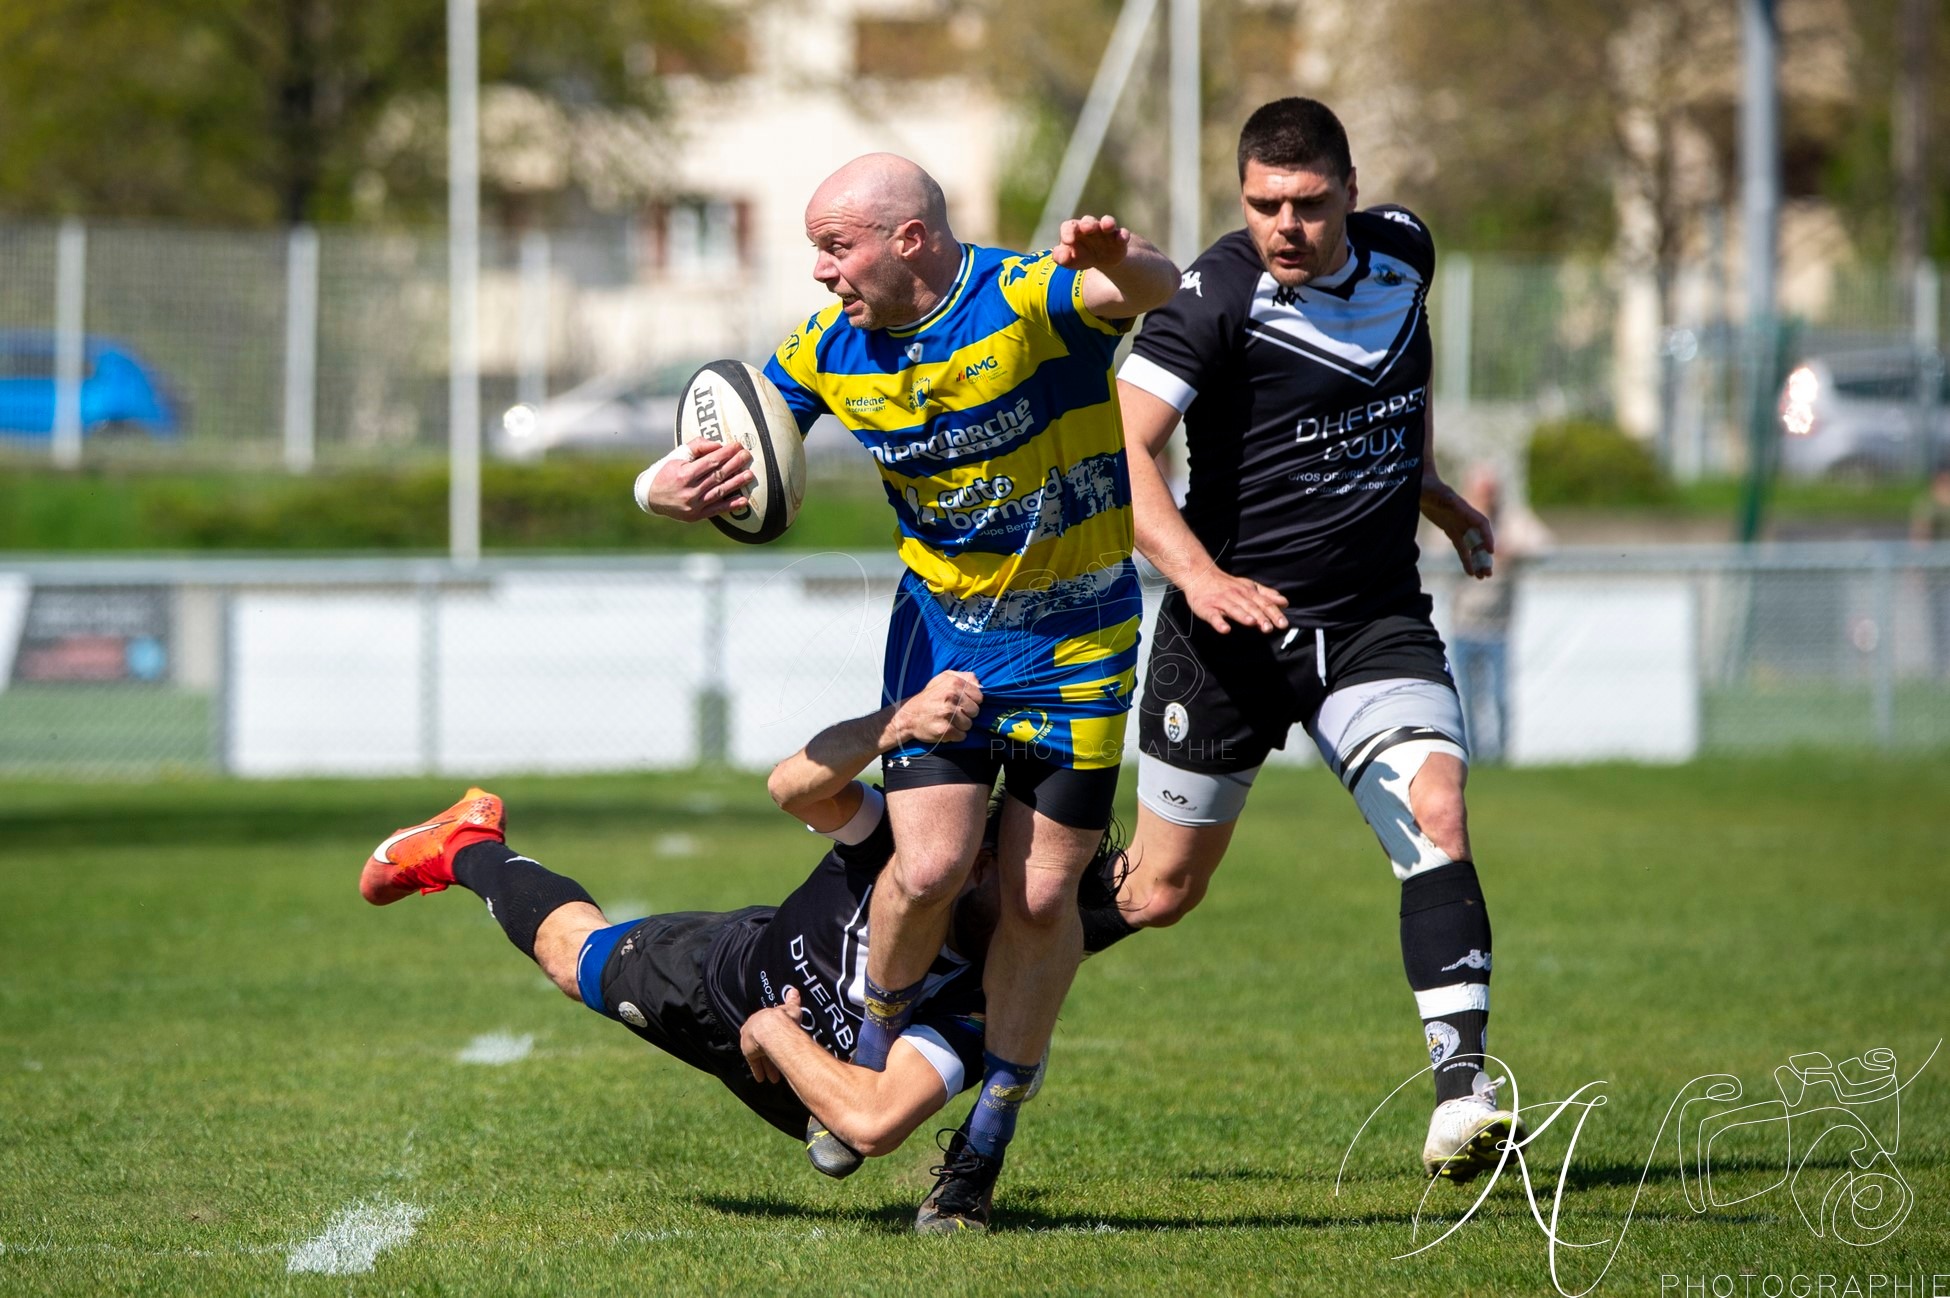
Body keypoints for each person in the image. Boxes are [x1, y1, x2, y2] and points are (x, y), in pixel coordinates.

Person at [638, 153, 1176, 1224]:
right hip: (946, 641)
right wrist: (660, 486)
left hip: (1079, 642)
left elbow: (1144, 290)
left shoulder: (1025, 299)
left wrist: (1129, 259)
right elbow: (725, 428)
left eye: (836, 248)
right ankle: (875, 1049)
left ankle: (981, 1149)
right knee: (926, 862)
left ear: (909, 239)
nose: (822, 273)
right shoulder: (829, 347)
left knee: (1035, 899)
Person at [1111, 98, 1523, 1181]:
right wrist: (1200, 578)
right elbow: (1126, 456)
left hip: (1374, 617)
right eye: (1261, 205)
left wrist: (1430, 490)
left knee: (1435, 807)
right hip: (1228, 634)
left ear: (1350, 188)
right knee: (1158, 892)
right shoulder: (1215, 296)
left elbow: (1403, 368)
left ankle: (1460, 1091)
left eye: (1303, 203)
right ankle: (973, 976)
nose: (1281, 225)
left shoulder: (1406, 253)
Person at [356, 670, 1137, 1230]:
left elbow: (870, 1126)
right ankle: (464, 843)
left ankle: (466, 846)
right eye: (1011, 864)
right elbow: (791, 786)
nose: (1029, 897)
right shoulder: (909, 847)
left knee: (848, 1142)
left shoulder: (990, 1002)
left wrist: (774, 1035)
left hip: (796, 1074)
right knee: (574, 958)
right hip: (719, 972)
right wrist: (891, 726)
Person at [1447, 463, 1550, 763]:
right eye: (1481, 493)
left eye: (1491, 493)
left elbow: (1543, 544)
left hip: (1498, 627)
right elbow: (1436, 550)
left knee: (1500, 698)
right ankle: (1474, 757)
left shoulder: (1510, 519)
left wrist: (1508, 549)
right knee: (1468, 699)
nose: (1487, 499)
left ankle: (1502, 759)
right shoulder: (1457, 518)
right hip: (1463, 626)